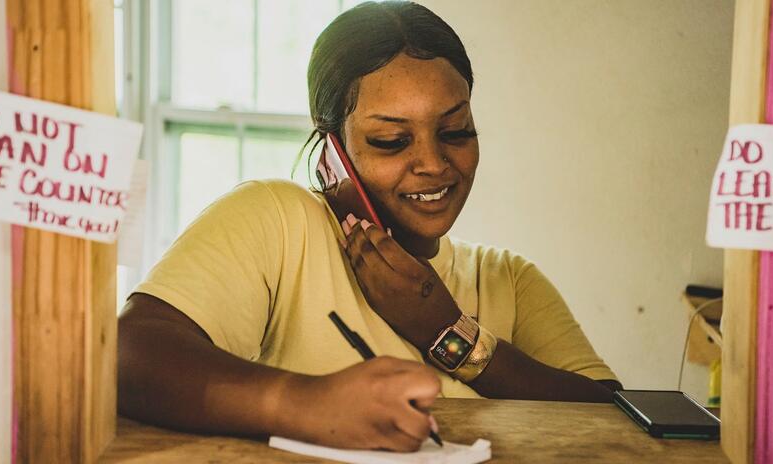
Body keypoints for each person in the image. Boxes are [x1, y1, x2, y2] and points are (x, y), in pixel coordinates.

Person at [118, 0, 621, 452]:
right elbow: (131, 354)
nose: (434, 163)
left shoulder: (508, 278)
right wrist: (305, 403)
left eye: (455, 131)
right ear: (333, 149)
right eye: (390, 141)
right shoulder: (279, 221)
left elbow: (621, 419)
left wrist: (448, 334)